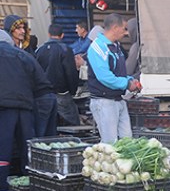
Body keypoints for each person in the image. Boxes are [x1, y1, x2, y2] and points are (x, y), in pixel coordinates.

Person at [87, 13, 140, 144]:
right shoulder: (98, 48)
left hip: (118, 100)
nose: (126, 33)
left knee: (127, 141)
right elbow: (105, 77)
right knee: (110, 143)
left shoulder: (116, 46)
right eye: (124, 28)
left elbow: (118, 73)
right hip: (104, 102)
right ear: (115, 27)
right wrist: (127, 84)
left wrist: (130, 80)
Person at [0, 30, 40, 191]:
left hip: (3, 107)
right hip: (25, 106)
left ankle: (2, 188)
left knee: (3, 147)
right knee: (27, 146)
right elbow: (38, 78)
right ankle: (30, 184)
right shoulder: (22, 54)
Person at [36, 24, 81, 126]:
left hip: (44, 94)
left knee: (47, 125)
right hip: (62, 93)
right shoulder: (65, 50)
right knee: (73, 123)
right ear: (62, 35)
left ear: (49, 34)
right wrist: (73, 90)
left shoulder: (40, 50)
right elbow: (70, 73)